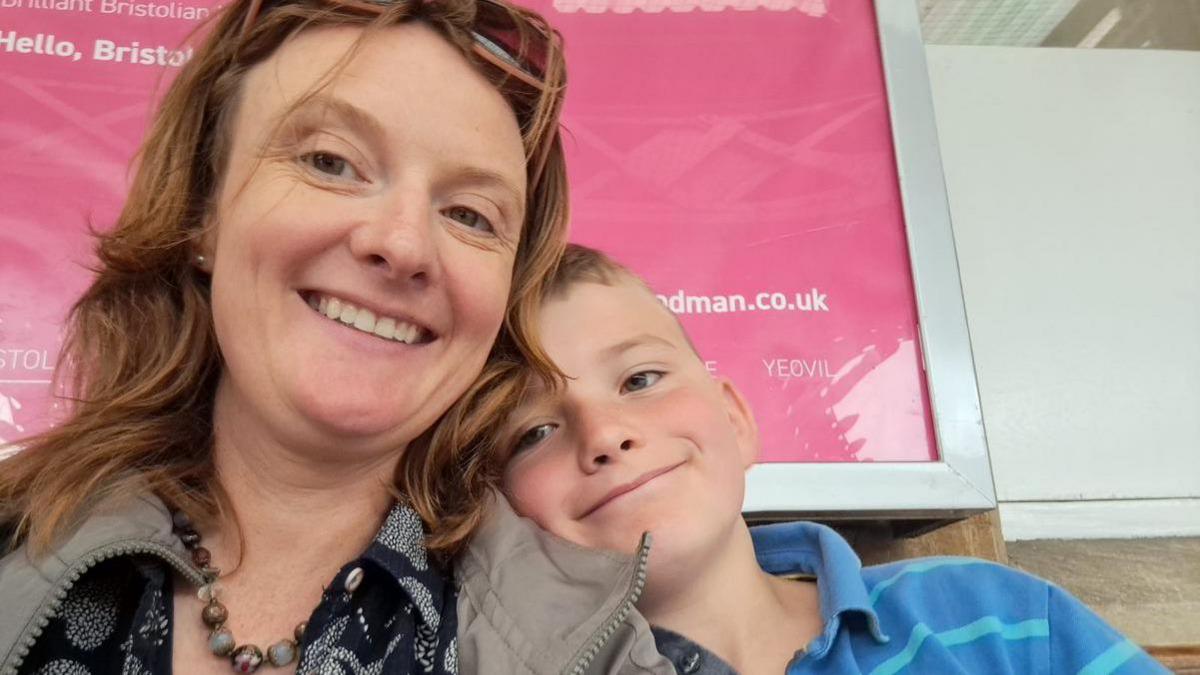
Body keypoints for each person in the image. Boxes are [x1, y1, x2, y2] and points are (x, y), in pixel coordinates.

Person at [0, 0, 569, 672]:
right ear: (203, 212)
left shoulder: (601, 644)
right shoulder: (13, 535)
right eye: (331, 162)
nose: (403, 242)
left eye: (472, 213)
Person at [450, 244, 1168, 675]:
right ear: (496, 509)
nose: (603, 432)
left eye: (640, 379)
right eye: (532, 433)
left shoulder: (997, 614)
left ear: (735, 418)